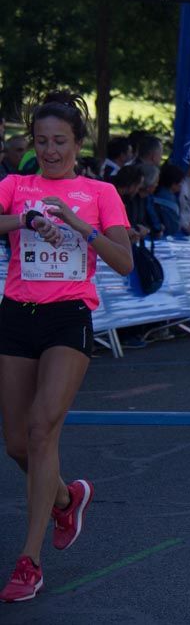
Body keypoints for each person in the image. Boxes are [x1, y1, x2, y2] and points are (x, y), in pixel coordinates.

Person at [0, 91, 133, 603]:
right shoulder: (16, 185)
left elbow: (124, 262)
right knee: (16, 444)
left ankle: (28, 562)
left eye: (60, 141)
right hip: (15, 316)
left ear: (79, 143)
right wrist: (26, 219)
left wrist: (79, 226)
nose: (50, 150)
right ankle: (64, 495)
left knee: (41, 430)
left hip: (69, 319)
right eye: (41, 141)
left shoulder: (99, 192)